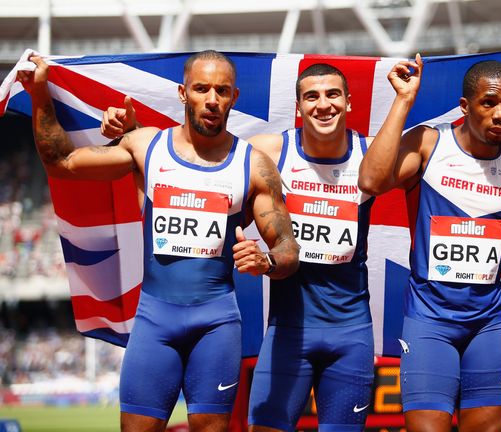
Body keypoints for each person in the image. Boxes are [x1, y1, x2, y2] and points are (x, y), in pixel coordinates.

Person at [19, 50, 300, 432]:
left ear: (234, 97)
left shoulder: (254, 165)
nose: (212, 99)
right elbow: (62, 163)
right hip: (155, 320)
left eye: (222, 90)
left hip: (215, 324)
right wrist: (39, 94)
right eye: (202, 89)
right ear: (184, 92)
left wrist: (266, 261)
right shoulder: (146, 146)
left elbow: (288, 247)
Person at [104, 63, 377, 432]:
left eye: (333, 95)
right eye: (312, 96)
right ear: (298, 106)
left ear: (348, 102)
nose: (323, 104)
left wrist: (405, 98)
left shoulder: (370, 159)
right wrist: (133, 133)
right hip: (289, 328)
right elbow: (191, 154)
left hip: (350, 329)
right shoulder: (267, 152)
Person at [358, 57, 501, 431]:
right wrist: (404, 100)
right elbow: (372, 181)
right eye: (489, 103)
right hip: (429, 319)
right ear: (465, 106)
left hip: (487, 322)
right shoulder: (428, 144)